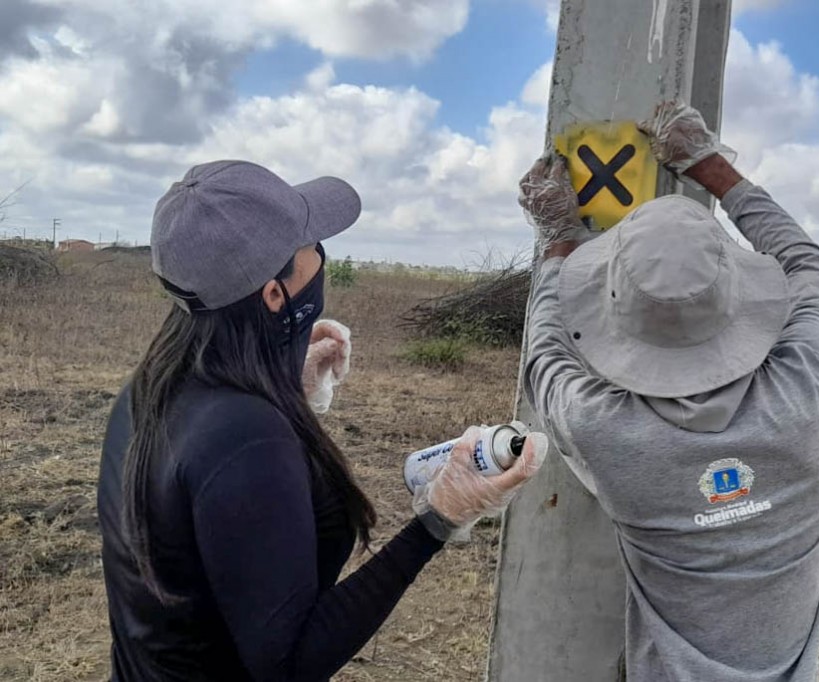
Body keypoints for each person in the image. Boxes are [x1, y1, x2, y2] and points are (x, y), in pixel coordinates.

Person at [97, 160, 545, 681]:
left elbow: (215, 550)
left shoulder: (152, 386)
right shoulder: (246, 437)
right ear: (273, 295)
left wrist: (283, 387)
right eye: (311, 245)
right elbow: (289, 664)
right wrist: (439, 518)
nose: (320, 253)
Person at [518, 102, 819, 681]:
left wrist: (557, 237)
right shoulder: (810, 387)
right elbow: (807, 266)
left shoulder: (602, 428)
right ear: (737, 293)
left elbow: (544, 351)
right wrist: (709, 165)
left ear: (612, 308)